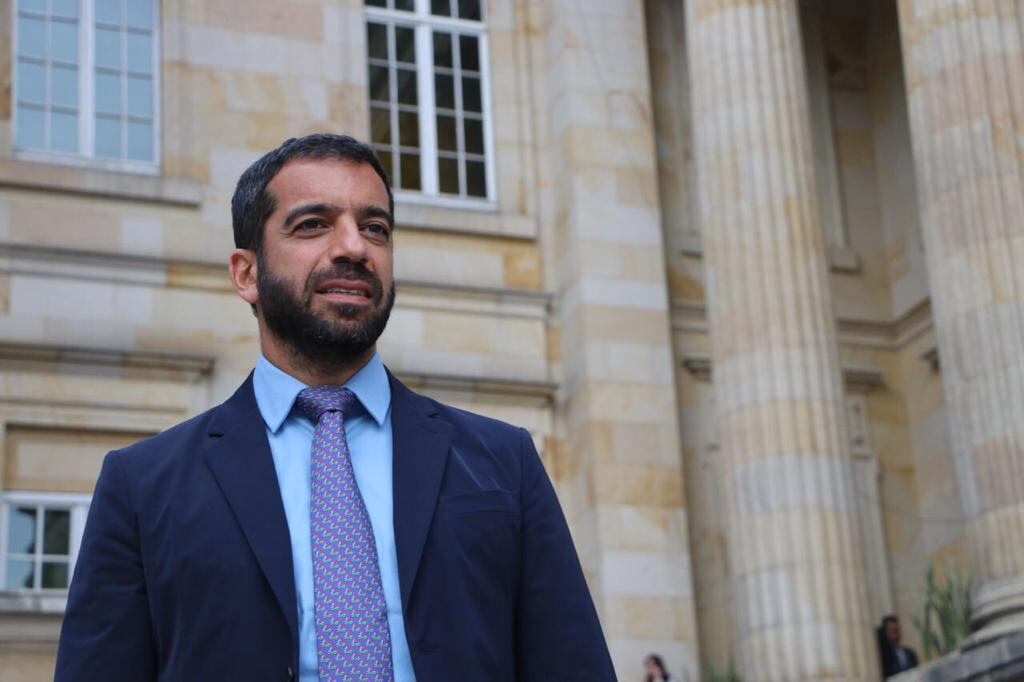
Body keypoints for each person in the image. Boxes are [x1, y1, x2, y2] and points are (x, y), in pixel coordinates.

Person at [54, 134, 615, 681]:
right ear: (246, 273)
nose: (354, 247)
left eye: (375, 228)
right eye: (313, 225)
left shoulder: (502, 461)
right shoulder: (142, 484)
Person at [878, 614, 918, 678]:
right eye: (892, 632)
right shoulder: (883, 656)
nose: (895, 635)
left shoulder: (910, 653)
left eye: (897, 631)